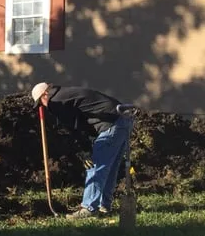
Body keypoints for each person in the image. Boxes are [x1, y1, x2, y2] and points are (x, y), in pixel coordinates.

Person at [32, 82, 136, 219]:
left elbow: (71, 128)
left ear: (45, 94)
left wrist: (84, 152)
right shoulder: (66, 93)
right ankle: (104, 205)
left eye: (41, 103)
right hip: (122, 119)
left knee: (95, 165)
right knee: (109, 167)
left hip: (111, 123)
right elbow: (81, 122)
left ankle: (89, 207)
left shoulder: (56, 101)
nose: (43, 106)